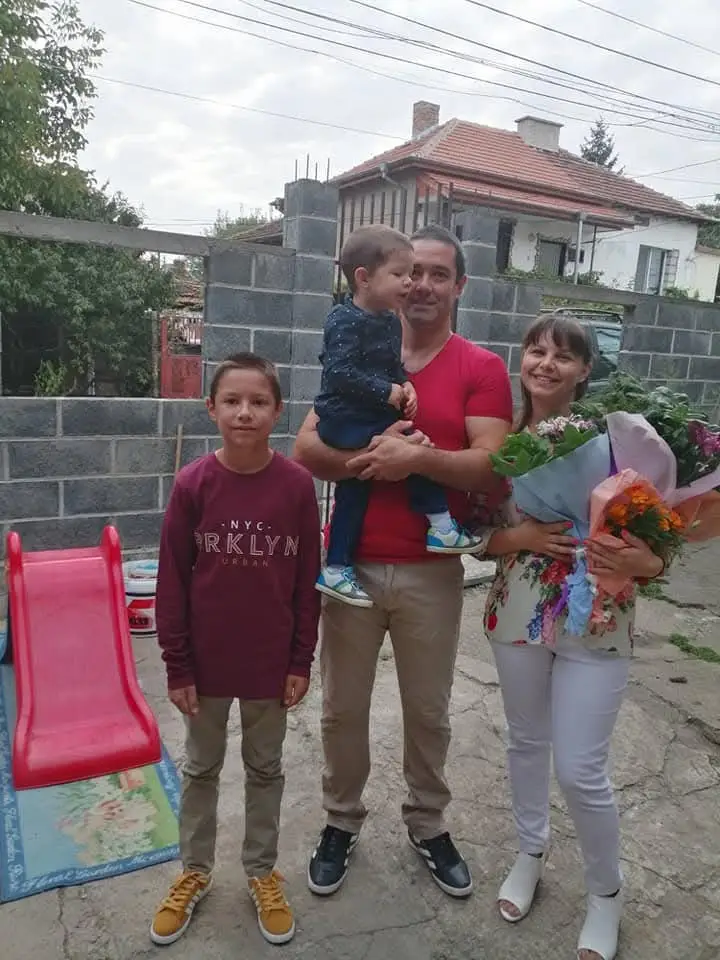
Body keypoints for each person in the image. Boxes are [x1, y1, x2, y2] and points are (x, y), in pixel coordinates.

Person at [293, 224, 513, 899]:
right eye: (411, 270)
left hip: (430, 571)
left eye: (437, 274)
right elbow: (306, 448)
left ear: (459, 286)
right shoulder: (366, 345)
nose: (420, 284)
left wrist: (416, 459)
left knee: (428, 710)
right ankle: (340, 820)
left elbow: (492, 466)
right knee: (341, 710)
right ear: (384, 276)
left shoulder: (480, 368)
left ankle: (427, 822)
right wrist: (367, 460)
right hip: (351, 568)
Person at [477, 315, 666, 960]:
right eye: (536, 350)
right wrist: (519, 536)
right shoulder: (498, 441)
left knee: (581, 768)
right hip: (519, 608)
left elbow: (660, 539)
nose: (546, 364)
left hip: (598, 615)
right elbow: (470, 534)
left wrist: (647, 561)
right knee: (526, 741)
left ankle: (605, 894)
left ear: (585, 370)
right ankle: (529, 853)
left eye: (563, 355)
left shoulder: (617, 444)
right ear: (521, 359)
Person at [150, 353, 321, 948]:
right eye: (232, 401)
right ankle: (194, 871)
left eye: (258, 402)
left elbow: (308, 582)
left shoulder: (296, 486)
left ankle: (261, 870)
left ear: (278, 410)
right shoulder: (193, 484)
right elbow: (172, 581)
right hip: (205, 666)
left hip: (270, 666)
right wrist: (177, 665)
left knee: (265, 768)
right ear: (211, 409)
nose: (244, 412)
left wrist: (300, 659)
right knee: (200, 768)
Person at [315, 223, 484, 608]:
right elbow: (337, 374)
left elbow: (391, 366)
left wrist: (405, 384)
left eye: (421, 274)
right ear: (364, 278)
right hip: (343, 417)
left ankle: (337, 566)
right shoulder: (342, 320)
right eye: (401, 274)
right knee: (413, 450)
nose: (409, 283)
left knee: (356, 492)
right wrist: (386, 391)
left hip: (371, 415)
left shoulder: (390, 320)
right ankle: (441, 525)